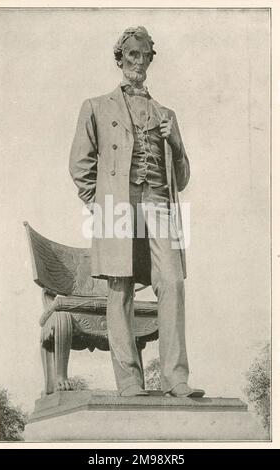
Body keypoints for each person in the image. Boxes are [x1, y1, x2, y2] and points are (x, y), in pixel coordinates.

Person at [69, 26, 205, 398]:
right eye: (132, 55)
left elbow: (183, 176)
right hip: (117, 204)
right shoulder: (96, 106)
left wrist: (175, 141)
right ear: (120, 59)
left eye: (145, 56)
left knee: (173, 282)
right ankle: (129, 381)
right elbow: (80, 165)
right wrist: (101, 206)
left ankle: (176, 378)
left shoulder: (166, 113)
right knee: (121, 287)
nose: (139, 62)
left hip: (159, 202)